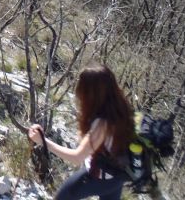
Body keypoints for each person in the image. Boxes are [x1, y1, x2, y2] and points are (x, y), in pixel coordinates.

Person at [28, 65, 136, 200]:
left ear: (91, 94)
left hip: (99, 177)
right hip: (117, 176)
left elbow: (77, 157)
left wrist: (43, 141)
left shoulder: (102, 124)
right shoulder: (121, 110)